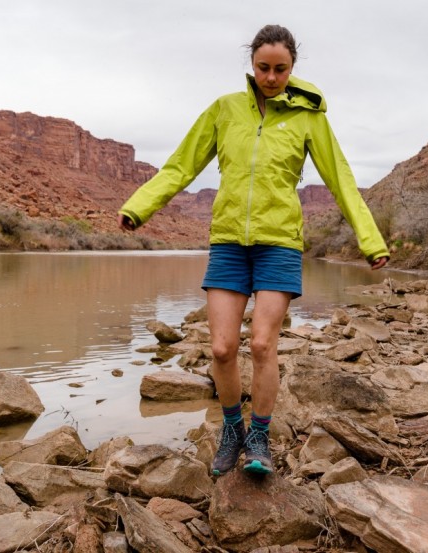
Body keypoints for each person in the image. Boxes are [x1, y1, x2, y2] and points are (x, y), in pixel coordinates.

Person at [118, 24, 389, 476]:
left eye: (281, 69)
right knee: (223, 348)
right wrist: (139, 207)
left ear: (292, 68)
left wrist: (371, 240)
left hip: (279, 244)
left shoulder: (309, 118)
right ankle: (232, 431)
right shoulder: (224, 110)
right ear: (252, 64)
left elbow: (341, 180)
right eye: (263, 67)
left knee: (263, 343)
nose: (271, 77)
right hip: (229, 242)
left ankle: (259, 437)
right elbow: (181, 166)